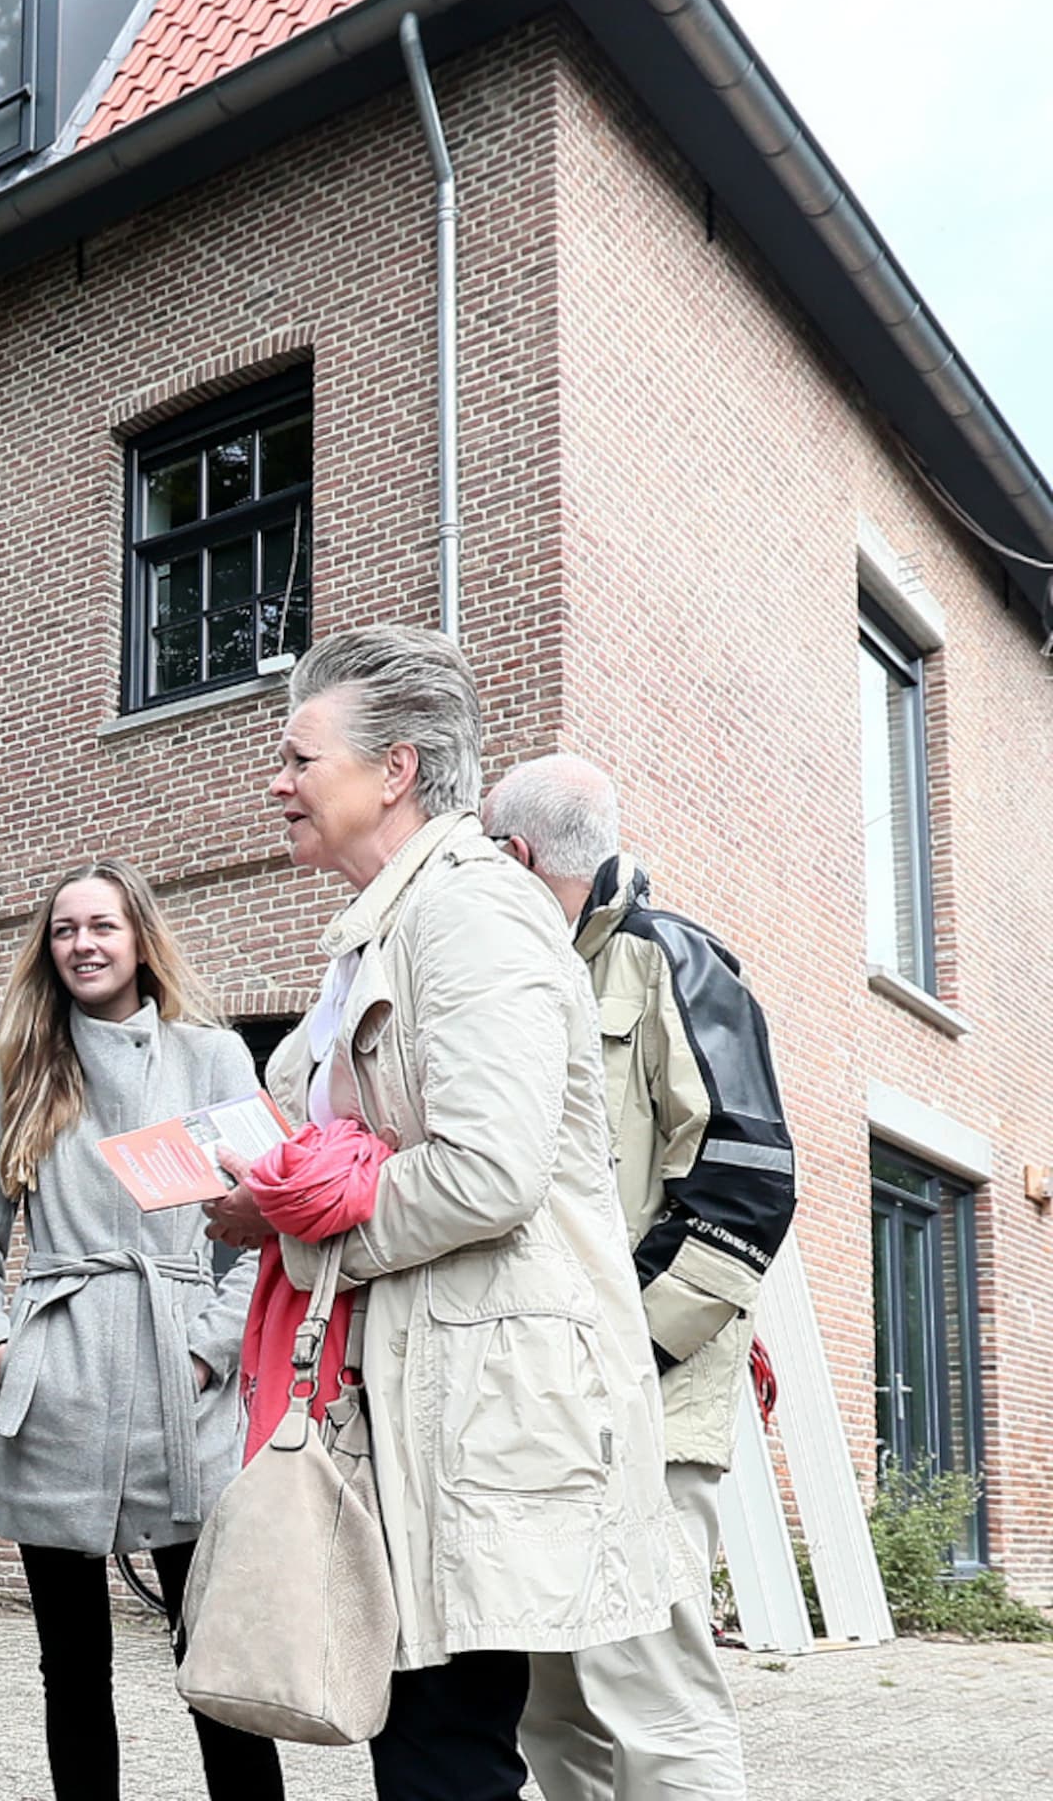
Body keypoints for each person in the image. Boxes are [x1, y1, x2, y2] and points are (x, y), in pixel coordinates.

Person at [205, 627, 692, 1801]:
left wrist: (303, 1230)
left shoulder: (471, 915)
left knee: (444, 1755)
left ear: (396, 769)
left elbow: (488, 1168)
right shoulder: (380, 924)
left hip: (480, 1412)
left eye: (296, 753)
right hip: (411, 1392)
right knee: (427, 1747)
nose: (276, 779)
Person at [483, 752, 797, 1801]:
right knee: (552, 1697)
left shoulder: (674, 959)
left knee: (650, 1688)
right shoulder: (528, 977)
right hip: (542, 1391)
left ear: (512, 854)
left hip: (641, 1394)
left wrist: (620, 1343)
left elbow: (746, 1184)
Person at [0, 860, 284, 1801]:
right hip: (59, 1386)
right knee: (73, 1674)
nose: (83, 944)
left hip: (184, 1395)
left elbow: (268, 1234)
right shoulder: (25, 1072)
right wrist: (5, 1353)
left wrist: (206, 1352)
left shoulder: (211, 1057)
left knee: (218, 1669)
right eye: (64, 931)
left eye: (102, 926)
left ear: (139, 938)